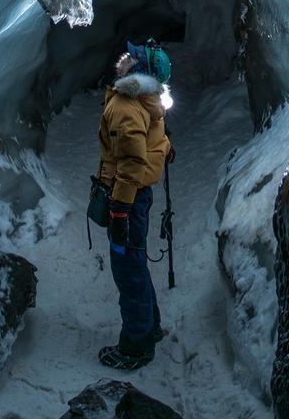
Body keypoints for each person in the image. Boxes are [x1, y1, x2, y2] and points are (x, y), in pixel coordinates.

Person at [96, 39, 174, 370]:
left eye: (134, 57)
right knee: (136, 263)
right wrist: (165, 149)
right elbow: (155, 137)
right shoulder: (146, 98)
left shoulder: (127, 106)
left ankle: (136, 345)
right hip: (138, 196)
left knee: (127, 270)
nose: (126, 57)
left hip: (127, 198)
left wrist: (118, 210)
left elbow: (130, 161)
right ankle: (150, 326)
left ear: (140, 70)